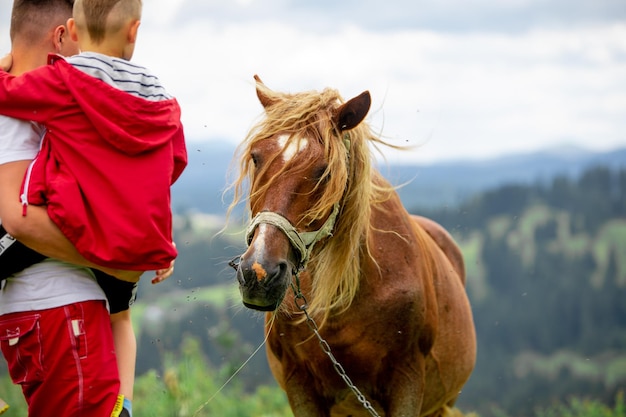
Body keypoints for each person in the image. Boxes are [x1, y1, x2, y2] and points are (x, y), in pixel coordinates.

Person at [0, 0, 178, 416]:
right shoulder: (32, 108)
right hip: (61, 313)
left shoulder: (61, 96)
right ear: (63, 34)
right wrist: (129, 252)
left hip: (58, 311)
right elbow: (15, 216)